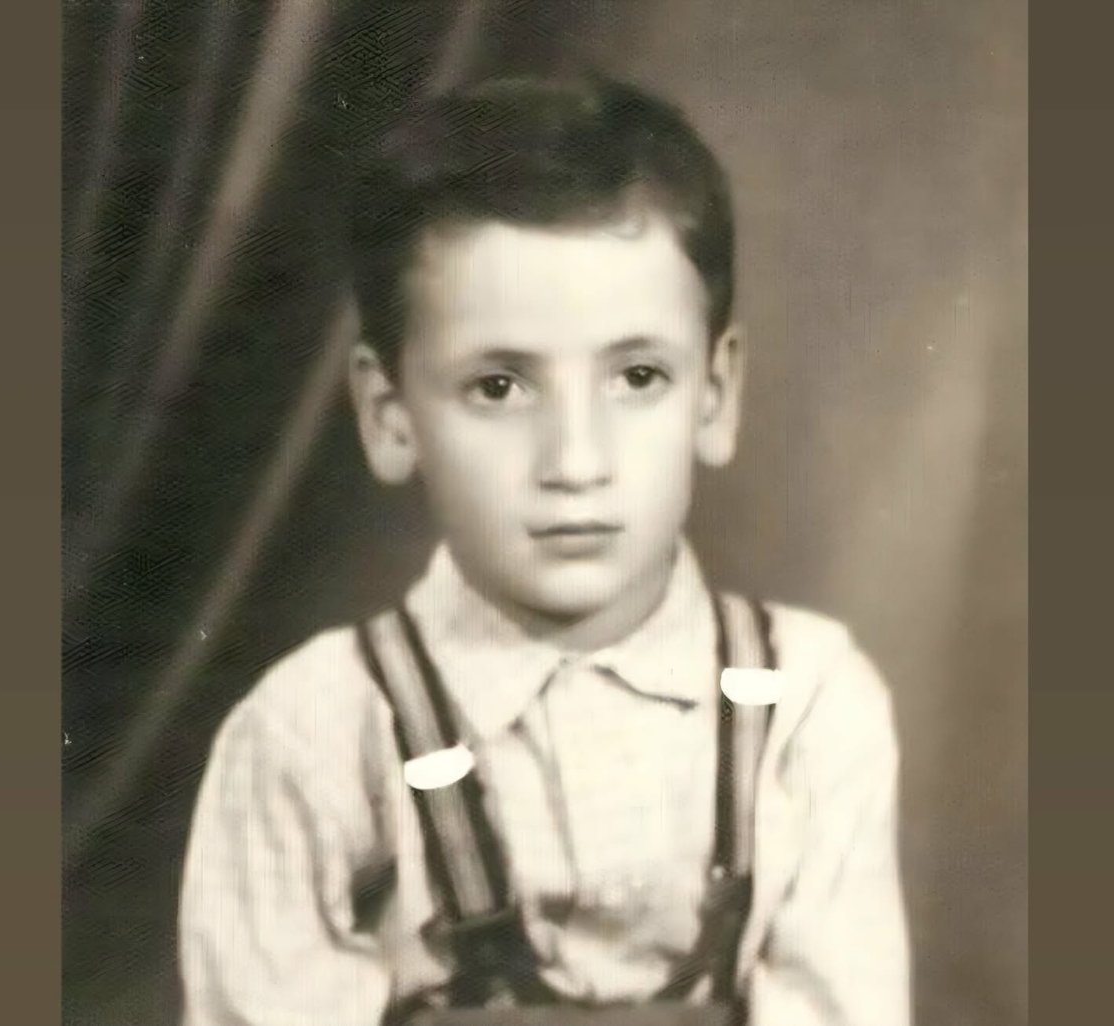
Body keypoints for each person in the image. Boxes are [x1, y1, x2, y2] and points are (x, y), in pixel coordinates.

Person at [178, 73, 909, 1026]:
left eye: (637, 376)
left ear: (716, 395)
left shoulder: (807, 702)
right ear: (390, 416)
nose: (575, 461)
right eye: (499, 388)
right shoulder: (317, 728)